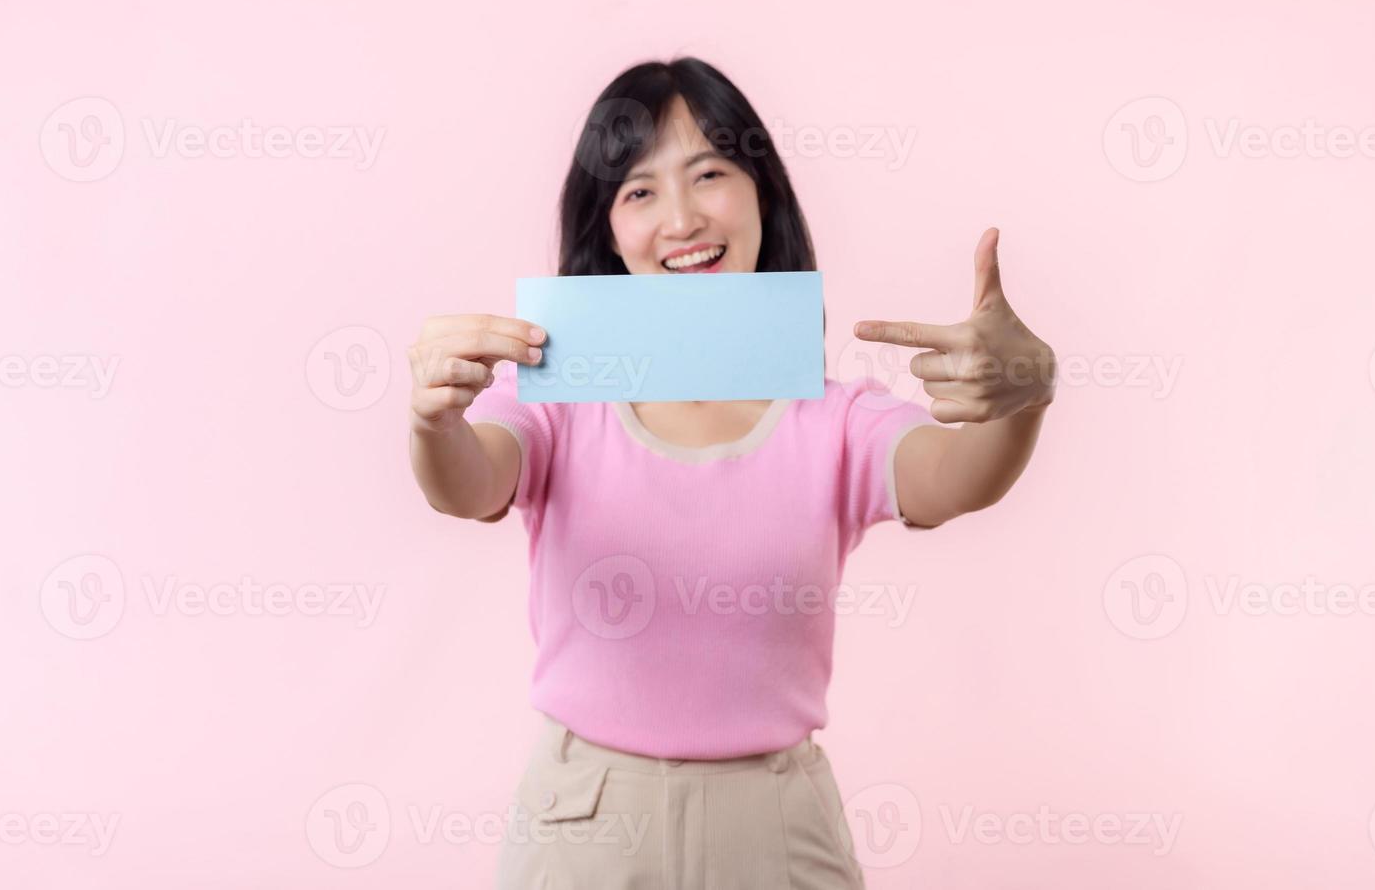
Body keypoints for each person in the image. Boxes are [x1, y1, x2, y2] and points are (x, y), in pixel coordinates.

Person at [407, 57, 1056, 889]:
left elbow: (952, 475)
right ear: (606, 227)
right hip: (584, 823)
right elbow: (469, 483)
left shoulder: (833, 415)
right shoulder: (557, 398)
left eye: (709, 173)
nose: (681, 217)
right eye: (638, 190)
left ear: (761, 196)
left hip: (777, 827)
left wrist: (1023, 401)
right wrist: (433, 421)